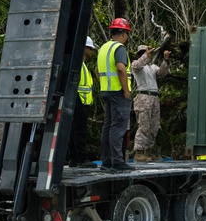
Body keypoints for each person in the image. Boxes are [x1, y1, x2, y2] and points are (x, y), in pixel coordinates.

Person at [98, 18, 133, 171]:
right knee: (118, 127)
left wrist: (105, 85)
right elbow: (120, 69)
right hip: (118, 93)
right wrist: (126, 90)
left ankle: (106, 162)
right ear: (124, 34)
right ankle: (117, 162)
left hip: (106, 91)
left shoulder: (103, 48)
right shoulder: (119, 48)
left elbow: (96, 71)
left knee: (108, 126)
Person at [131, 44, 170, 162]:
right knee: (144, 125)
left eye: (147, 52)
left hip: (154, 97)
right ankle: (138, 152)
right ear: (139, 54)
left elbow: (162, 73)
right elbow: (138, 65)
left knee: (154, 126)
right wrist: (146, 55)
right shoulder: (136, 65)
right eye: (143, 52)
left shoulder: (152, 67)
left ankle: (148, 151)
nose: (146, 53)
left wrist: (166, 60)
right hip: (143, 96)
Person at [67, 36, 98, 167]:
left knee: (75, 130)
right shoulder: (78, 65)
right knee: (79, 131)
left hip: (80, 101)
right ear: (84, 48)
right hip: (79, 101)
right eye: (90, 48)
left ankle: (74, 158)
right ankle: (81, 158)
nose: (91, 51)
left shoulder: (82, 65)